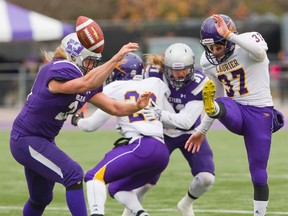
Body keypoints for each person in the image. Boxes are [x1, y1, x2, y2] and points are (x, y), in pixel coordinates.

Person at [9, 32, 151, 216]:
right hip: (26, 139)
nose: (91, 66)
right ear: (74, 55)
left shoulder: (85, 81)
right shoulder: (57, 69)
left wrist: (135, 106)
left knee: (41, 198)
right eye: (89, 61)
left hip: (43, 140)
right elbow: (85, 83)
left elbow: (115, 108)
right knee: (74, 175)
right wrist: (116, 58)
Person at [185, 14, 284, 216]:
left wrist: (230, 35)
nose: (214, 52)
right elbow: (219, 94)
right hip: (235, 111)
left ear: (228, 40)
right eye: (210, 48)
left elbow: (259, 53)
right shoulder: (208, 61)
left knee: (258, 176)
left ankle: (260, 214)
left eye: (218, 47)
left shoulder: (248, 42)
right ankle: (213, 108)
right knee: (220, 102)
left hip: (260, 113)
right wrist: (202, 130)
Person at [72, 52, 171, 216]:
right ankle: (141, 214)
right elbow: (166, 117)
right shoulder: (156, 83)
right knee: (118, 187)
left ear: (119, 73)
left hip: (142, 146)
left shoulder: (114, 87)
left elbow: (90, 126)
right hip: (161, 151)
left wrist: (77, 120)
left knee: (93, 177)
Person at [122, 43, 215, 216]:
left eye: (185, 69)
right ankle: (130, 211)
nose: (180, 74)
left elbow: (186, 122)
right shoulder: (153, 74)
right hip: (160, 134)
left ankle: (186, 204)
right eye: (175, 69)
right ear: (166, 67)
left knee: (206, 179)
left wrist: (157, 113)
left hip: (190, 135)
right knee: (145, 182)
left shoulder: (201, 83)